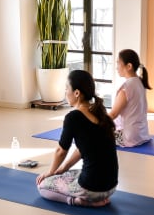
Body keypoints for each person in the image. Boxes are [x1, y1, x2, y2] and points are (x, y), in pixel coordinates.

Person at [36, 70, 118, 207]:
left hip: (91, 190)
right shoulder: (100, 113)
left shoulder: (73, 117)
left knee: (42, 187)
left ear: (77, 93)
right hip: (110, 188)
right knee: (67, 174)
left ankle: (78, 201)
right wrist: (62, 169)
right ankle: (92, 197)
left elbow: (61, 151)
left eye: (67, 88)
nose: (65, 92)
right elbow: (82, 149)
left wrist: (50, 173)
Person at [109, 49, 152, 147]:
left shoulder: (126, 88)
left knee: (92, 135)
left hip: (128, 137)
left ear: (129, 66)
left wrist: (94, 123)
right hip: (142, 135)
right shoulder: (140, 82)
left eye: (118, 64)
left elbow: (113, 114)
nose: (117, 68)